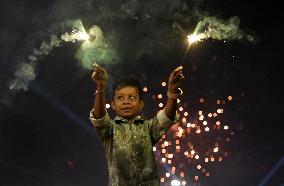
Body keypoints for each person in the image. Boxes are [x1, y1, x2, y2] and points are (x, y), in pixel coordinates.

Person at [89, 63, 185, 186]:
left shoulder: (148, 128)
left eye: (132, 98)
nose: (126, 102)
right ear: (112, 105)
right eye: (120, 98)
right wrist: (101, 86)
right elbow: (99, 116)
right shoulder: (109, 130)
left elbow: (168, 117)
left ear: (141, 104)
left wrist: (172, 91)